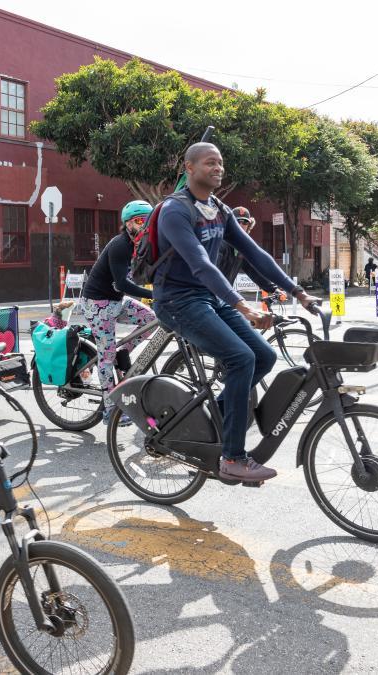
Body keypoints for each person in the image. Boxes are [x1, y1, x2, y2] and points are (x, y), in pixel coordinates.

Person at [153, 142, 320, 483]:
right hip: (177, 301)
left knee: (263, 356)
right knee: (241, 359)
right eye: (209, 163)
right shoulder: (175, 210)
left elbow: (256, 253)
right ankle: (232, 458)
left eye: (221, 163)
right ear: (189, 168)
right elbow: (200, 264)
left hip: (206, 299)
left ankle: (212, 420)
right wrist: (241, 305)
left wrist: (297, 291)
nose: (218, 168)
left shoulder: (217, 209)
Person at [80, 199, 158, 424]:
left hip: (116, 302)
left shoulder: (141, 246)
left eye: (148, 221)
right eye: (139, 221)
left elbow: (148, 272)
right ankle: (109, 409)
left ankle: (123, 350)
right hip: (98, 304)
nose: (144, 225)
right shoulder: (120, 245)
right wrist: (155, 295)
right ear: (128, 224)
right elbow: (123, 284)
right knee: (106, 356)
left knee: (151, 319)